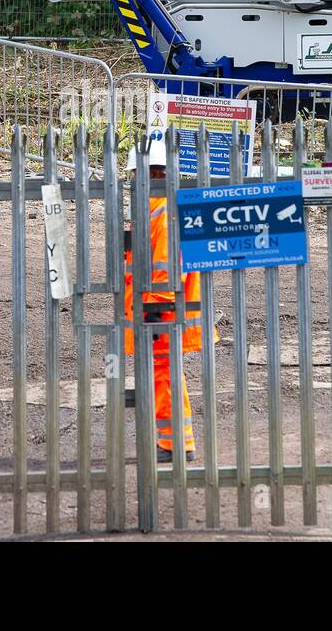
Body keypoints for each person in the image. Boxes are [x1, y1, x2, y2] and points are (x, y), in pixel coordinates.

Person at [122, 138, 214, 464]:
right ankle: (173, 441)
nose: (132, 182)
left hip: (160, 314)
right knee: (165, 375)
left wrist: (155, 313)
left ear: (153, 174)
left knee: (165, 375)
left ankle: (176, 444)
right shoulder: (157, 209)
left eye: (136, 175)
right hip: (158, 312)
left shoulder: (162, 212)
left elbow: (164, 271)